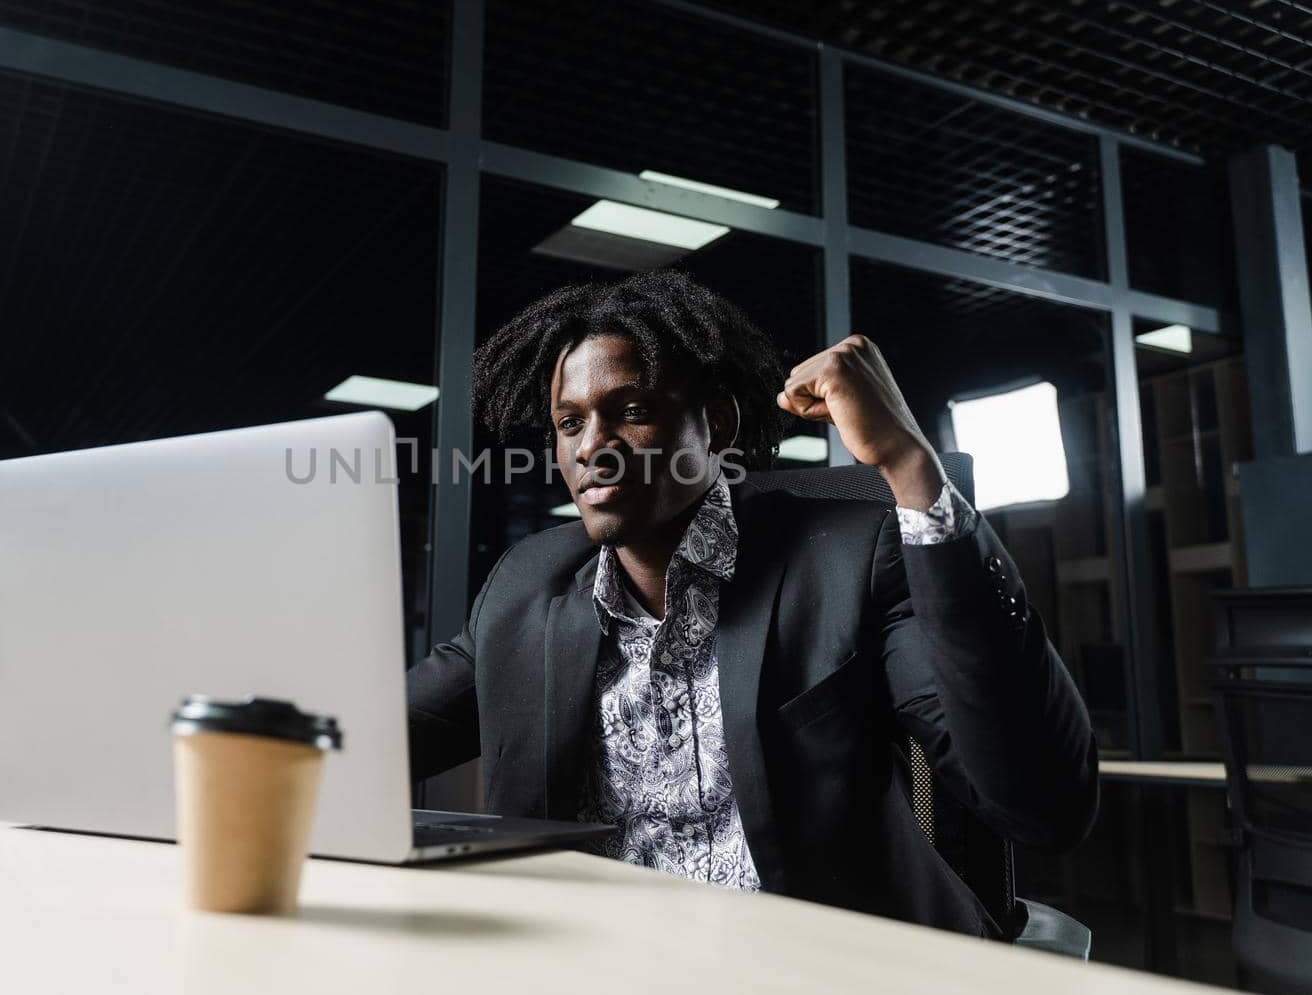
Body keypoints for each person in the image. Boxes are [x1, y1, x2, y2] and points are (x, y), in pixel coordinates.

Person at [405, 269, 1098, 938]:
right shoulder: (528, 586)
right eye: (569, 421)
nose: (592, 447)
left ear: (714, 420)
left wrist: (912, 471)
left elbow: (1043, 802)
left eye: (632, 411)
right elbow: (373, 735)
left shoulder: (844, 562)